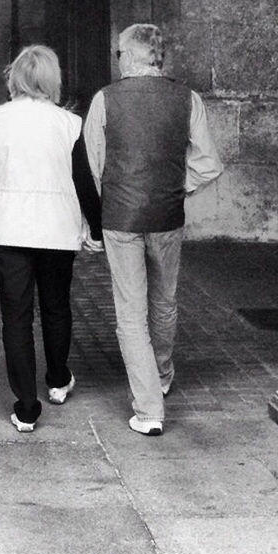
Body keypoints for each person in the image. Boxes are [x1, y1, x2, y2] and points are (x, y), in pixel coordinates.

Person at [83, 23, 223, 437]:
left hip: (120, 218)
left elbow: (91, 165)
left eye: (119, 53)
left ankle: (148, 409)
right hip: (167, 216)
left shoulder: (105, 100)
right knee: (164, 301)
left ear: (130, 55)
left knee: (131, 313)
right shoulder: (188, 98)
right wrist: (179, 188)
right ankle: (161, 375)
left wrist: (97, 210)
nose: (118, 59)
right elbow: (208, 164)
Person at [0, 46, 100, 434]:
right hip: (56, 227)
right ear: (51, 79)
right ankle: (57, 380)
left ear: (16, 77)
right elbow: (82, 180)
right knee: (56, 306)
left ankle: (26, 406)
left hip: (9, 227)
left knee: (16, 315)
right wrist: (96, 224)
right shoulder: (68, 123)